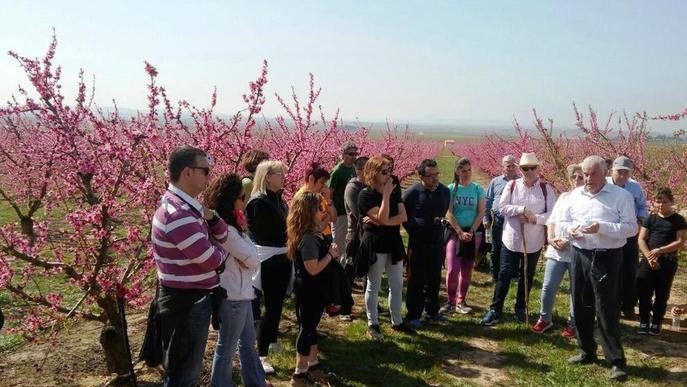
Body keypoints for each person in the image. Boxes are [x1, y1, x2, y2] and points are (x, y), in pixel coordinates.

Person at [151, 146, 228, 387]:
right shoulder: (178, 215)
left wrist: (213, 220)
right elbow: (213, 259)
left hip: (192, 300)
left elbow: (221, 233)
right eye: (205, 171)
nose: (209, 176)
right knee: (184, 373)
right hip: (186, 305)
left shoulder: (189, 208)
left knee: (186, 370)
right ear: (187, 172)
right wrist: (223, 250)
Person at [560, 155, 637, 381]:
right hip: (579, 254)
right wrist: (570, 230)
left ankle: (615, 360)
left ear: (605, 173)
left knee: (606, 308)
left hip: (607, 257)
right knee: (581, 304)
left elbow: (631, 228)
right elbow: (563, 222)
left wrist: (601, 228)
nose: (588, 178)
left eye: (593, 174)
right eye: (585, 173)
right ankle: (586, 351)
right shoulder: (575, 195)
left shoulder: (620, 196)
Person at [204, 174, 268, 387]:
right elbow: (253, 258)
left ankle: (256, 381)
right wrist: (249, 258)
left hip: (242, 293)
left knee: (248, 344)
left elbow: (251, 256)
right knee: (226, 347)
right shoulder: (226, 230)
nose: (245, 201)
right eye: (242, 197)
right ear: (231, 199)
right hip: (231, 296)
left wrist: (249, 258)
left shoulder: (232, 225)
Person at [481, 152, 555, 326]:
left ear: (538, 169)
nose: (529, 171)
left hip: (533, 242)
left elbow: (552, 214)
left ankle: (520, 308)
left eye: (532, 168)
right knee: (504, 274)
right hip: (511, 239)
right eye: (525, 168)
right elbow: (502, 207)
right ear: (520, 169)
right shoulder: (512, 185)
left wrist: (535, 218)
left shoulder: (546, 189)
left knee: (527, 275)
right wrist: (521, 210)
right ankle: (495, 309)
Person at [286, 192, 339, 387]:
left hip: (312, 289)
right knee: (307, 330)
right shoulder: (308, 239)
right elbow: (313, 268)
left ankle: (313, 365)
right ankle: (299, 375)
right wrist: (331, 255)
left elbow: (321, 226)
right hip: (310, 290)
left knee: (310, 327)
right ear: (309, 212)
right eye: (319, 208)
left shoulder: (309, 231)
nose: (322, 210)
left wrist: (325, 217)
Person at [358, 156, 414, 339]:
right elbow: (381, 217)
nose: (388, 174)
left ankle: (396, 321)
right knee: (373, 284)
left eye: (389, 169)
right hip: (375, 243)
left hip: (393, 242)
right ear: (373, 173)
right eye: (384, 171)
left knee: (397, 284)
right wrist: (386, 196)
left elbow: (403, 216)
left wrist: (384, 222)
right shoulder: (365, 195)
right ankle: (372, 323)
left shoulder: (393, 187)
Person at [245, 160, 291, 374]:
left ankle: (271, 340)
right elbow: (265, 235)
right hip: (269, 259)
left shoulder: (278, 200)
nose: (283, 176)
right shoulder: (258, 202)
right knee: (271, 308)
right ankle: (261, 355)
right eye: (279, 173)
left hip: (281, 256)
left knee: (277, 304)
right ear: (267, 176)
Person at [532, 164, 583, 336]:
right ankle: (545, 318)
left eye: (581, 176)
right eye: (574, 176)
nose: (577, 180)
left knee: (575, 289)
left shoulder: (589, 200)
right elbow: (552, 220)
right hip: (556, 250)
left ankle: (573, 323)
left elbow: (583, 226)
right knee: (548, 286)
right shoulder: (564, 197)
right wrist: (551, 238)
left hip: (576, 251)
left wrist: (567, 241)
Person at [403, 159, 451, 328]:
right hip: (418, 244)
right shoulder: (412, 193)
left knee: (434, 278)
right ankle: (413, 314)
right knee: (416, 280)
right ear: (421, 176)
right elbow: (404, 216)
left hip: (437, 242)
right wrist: (414, 230)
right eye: (430, 176)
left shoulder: (445, 192)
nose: (434, 178)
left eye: (436, 174)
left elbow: (444, 210)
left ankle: (432, 311)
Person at [636, 187, 687, 335]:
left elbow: (681, 241)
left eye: (664, 202)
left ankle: (657, 322)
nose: (660, 205)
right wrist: (649, 256)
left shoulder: (678, 220)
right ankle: (644, 321)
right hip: (648, 260)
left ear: (671, 202)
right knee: (644, 291)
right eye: (658, 201)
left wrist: (661, 250)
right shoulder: (650, 218)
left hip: (667, 260)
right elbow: (641, 238)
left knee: (662, 293)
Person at [441, 158, 485, 315]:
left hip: (473, 233)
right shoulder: (451, 189)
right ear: (457, 171)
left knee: (467, 269)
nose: (466, 173)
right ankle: (450, 301)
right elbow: (449, 212)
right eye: (463, 170)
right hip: (455, 232)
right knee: (452, 267)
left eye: (468, 170)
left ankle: (461, 300)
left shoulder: (478, 189)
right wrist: (459, 231)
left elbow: (481, 212)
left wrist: (471, 231)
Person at [607, 155, 648, 318]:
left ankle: (628, 304)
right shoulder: (604, 184)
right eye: (619, 172)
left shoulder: (635, 187)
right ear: (612, 171)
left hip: (630, 233)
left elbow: (642, 207)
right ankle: (611, 303)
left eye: (626, 173)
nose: (623, 176)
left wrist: (639, 221)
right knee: (611, 269)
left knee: (629, 268)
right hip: (609, 233)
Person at [240, 149, 270, 327]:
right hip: (249, 235)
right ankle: (253, 317)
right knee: (253, 277)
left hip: (256, 235)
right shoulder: (247, 183)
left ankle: (255, 315)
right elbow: (241, 210)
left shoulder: (253, 183)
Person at [483, 155, 519, 283]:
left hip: (514, 220)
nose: (510, 168)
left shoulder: (520, 181)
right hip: (498, 219)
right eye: (508, 165)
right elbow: (488, 200)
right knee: (496, 247)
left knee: (513, 247)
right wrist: (485, 217)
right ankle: (494, 274)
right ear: (502, 167)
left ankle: (513, 274)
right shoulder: (495, 181)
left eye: (513, 165)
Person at [329, 142, 359, 260]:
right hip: (340, 214)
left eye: (355, 154)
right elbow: (329, 193)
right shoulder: (337, 171)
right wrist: (332, 212)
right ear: (343, 154)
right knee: (338, 245)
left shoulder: (353, 169)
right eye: (351, 154)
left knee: (348, 245)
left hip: (351, 213)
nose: (354, 156)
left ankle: (343, 272)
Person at [296, 163, 336, 243]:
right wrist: (327, 218)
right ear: (311, 179)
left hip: (324, 237)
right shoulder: (302, 199)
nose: (323, 186)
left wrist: (328, 199)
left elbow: (334, 218)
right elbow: (314, 229)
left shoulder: (318, 195)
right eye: (321, 182)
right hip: (312, 242)